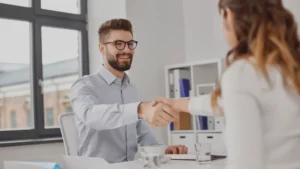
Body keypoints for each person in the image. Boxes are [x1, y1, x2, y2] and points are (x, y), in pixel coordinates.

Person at [153, 0, 300, 169]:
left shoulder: (243, 74)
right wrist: (176, 104)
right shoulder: (289, 69)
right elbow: (224, 103)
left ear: (229, 15)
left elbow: (244, 164)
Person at [69, 18, 188, 163]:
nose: (126, 50)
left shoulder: (132, 91)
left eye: (130, 44)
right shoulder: (84, 86)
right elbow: (91, 116)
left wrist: (165, 150)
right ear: (102, 48)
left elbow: (145, 137)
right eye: (118, 44)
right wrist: (139, 109)